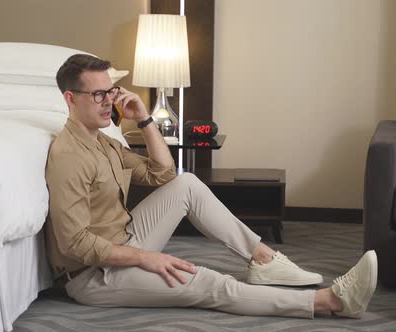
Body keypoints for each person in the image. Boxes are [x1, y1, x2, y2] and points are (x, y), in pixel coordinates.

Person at [45, 53, 378, 319]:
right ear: (70, 98)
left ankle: (262, 257)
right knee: (209, 283)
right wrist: (145, 258)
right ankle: (328, 302)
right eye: (98, 94)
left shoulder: (103, 141)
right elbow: (74, 243)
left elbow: (162, 174)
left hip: (125, 239)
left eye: (111, 92)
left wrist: (144, 118)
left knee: (188, 184)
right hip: (93, 275)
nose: (108, 102)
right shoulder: (69, 155)